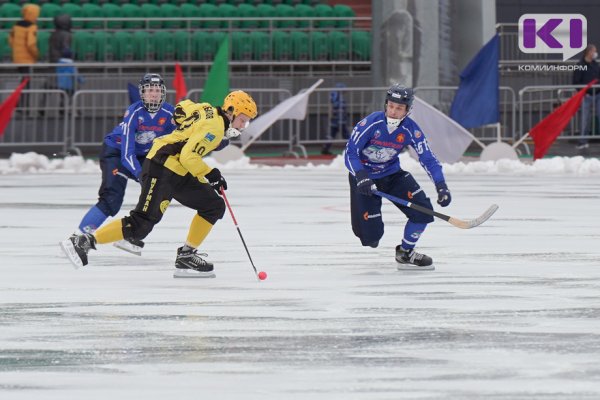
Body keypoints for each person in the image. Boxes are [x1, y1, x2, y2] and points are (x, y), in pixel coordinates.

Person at [60, 90, 258, 279]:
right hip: (161, 166)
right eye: (242, 120)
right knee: (141, 224)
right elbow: (190, 157)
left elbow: (183, 107)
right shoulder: (214, 129)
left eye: (246, 122)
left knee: (213, 205)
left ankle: (186, 255)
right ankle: (84, 241)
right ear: (230, 111)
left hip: (178, 169)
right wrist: (212, 174)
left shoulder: (206, 108)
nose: (242, 126)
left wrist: (179, 119)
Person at [344, 84, 451, 270]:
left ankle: (405, 253)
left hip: (392, 175)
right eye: (391, 106)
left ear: (407, 110)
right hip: (364, 179)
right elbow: (350, 153)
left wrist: (441, 185)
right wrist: (360, 176)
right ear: (386, 104)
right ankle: (366, 229)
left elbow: (428, 158)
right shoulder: (371, 123)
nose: (393, 111)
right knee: (371, 238)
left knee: (423, 212)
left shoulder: (411, 129)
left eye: (399, 108)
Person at [71, 73, 176, 255]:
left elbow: (183, 135)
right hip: (117, 153)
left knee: (158, 192)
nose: (154, 94)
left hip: (143, 155)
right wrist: (140, 174)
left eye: (157, 90)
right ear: (142, 93)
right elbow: (127, 152)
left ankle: (131, 234)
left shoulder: (169, 113)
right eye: (150, 90)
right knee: (112, 199)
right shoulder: (134, 112)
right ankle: (78, 238)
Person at [8, 3, 40, 110]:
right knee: (26, 83)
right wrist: (36, 55)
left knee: (23, 81)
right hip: (27, 59)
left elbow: (10, 40)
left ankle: (20, 104)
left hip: (17, 58)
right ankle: (22, 105)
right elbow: (31, 44)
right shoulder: (32, 27)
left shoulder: (16, 25)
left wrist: (17, 50)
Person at [573, 43, 600, 150]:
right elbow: (576, 81)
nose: (595, 53)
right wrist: (583, 92)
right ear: (589, 52)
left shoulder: (595, 64)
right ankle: (582, 141)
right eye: (594, 51)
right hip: (587, 95)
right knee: (585, 119)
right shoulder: (580, 65)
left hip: (598, 94)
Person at [321, 83, 350, 155]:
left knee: (331, 134)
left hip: (335, 119)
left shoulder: (334, 95)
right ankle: (351, 149)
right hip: (339, 119)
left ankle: (325, 148)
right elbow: (339, 107)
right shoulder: (337, 96)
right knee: (346, 135)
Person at [56, 47, 83, 112]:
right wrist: (82, 80)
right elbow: (75, 74)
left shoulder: (59, 63)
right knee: (72, 96)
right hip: (69, 84)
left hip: (60, 83)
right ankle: (72, 108)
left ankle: (62, 108)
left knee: (63, 96)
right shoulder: (71, 64)